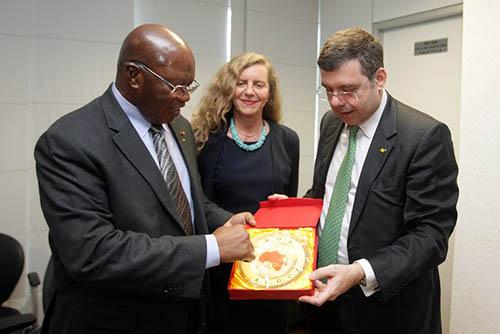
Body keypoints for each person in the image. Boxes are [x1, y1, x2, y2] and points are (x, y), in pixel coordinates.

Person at [34, 24, 256, 334]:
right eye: (175, 85)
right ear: (133, 76)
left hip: (186, 314)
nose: (185, 98)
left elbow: (185, 204)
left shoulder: (179, 127)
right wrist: (212, 248)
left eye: (189, 85)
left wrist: (226, 220)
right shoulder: (71, 140)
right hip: (116, 320)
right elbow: (93, 252)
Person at [279, 27, 458, 333]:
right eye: (328, 89)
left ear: (379, 78)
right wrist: (295, 209)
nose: (336, 101)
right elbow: (329, 192)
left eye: (348, 89)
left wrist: (360, 271)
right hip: (325, 300)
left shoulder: (424, 137)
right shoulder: (332, 123)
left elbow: (430, 236)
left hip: (387, 307)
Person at [191, 52, 299, 333]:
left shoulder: (287, 140)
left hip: (272, 268)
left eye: (259, 84)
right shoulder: (205, 139)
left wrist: (288, 207)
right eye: (241, 83)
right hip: (220, 265)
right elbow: (195, 201)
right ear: (229, 88)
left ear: (269, 92)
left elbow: (290, 198)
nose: (249, 91)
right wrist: (228, 221)